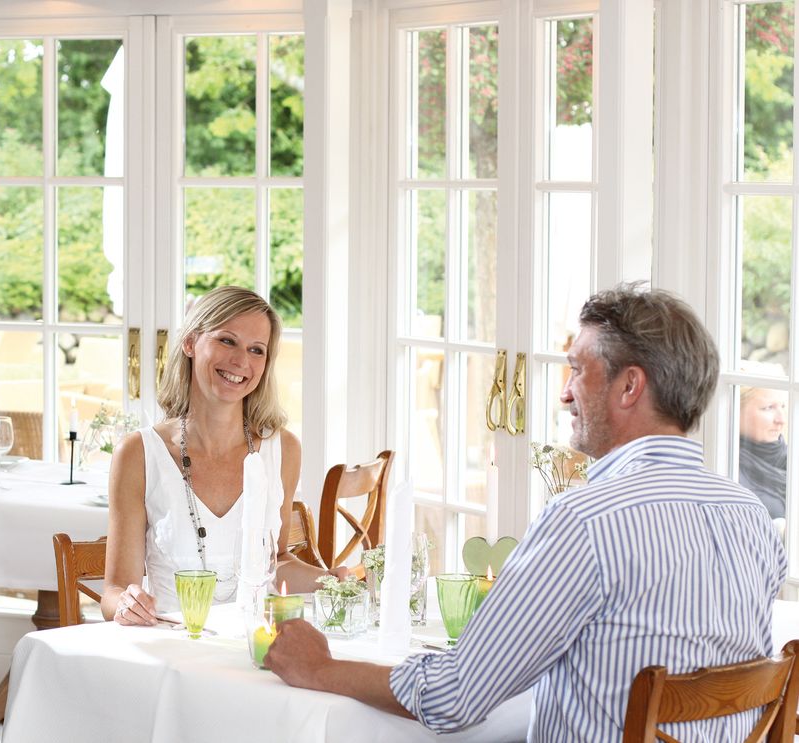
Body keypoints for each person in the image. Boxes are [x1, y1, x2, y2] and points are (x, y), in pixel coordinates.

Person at [266, 283, 787, 741]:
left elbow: (456, 697)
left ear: (629, 386)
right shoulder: (749, 515)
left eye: (578, 370)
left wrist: (322, 667)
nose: (564, 393)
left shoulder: (586, 521)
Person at [103, 286, 344, 624]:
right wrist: (127, 604)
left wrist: (328, 581)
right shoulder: (138, 453)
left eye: (257, 350)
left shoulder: (284, 449)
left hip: (256, 645)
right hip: (172, 645)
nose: (241, 361)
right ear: (190, 342)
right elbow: (114, 591)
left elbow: (278, 563)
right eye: (227, 341)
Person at [738, 386, 787, 519]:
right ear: (736, 409)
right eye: (768, 408)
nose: (781, 420)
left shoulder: (791, 458)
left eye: (783, 406)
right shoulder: (722, 460)